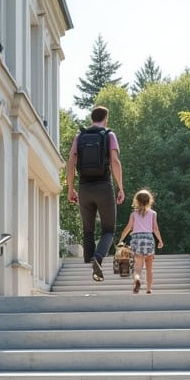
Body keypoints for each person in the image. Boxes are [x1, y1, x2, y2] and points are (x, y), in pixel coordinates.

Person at [66, 106, 125, 282]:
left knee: (88, 230)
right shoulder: (109, 135)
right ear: (105, 118)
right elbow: (114, 161)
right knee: (108, 230)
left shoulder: (80, 136)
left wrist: (70, 188)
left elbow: (71, 162)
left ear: (92, 118)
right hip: (104, 187)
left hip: (84, 187)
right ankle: (97, 259)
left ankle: (88, 265)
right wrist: (120, 187)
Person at [119, 188, 164, 294]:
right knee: (149, 267)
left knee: (138, 266)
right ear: (150, 201)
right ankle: (148, 289)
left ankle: (137, 280)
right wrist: (160, 241)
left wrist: (121, 239)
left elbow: (128, 227)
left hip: (136, 239)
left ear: (136, 201)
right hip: (148, 239)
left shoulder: (133, 214)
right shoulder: (153, 213)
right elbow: (155, 229)